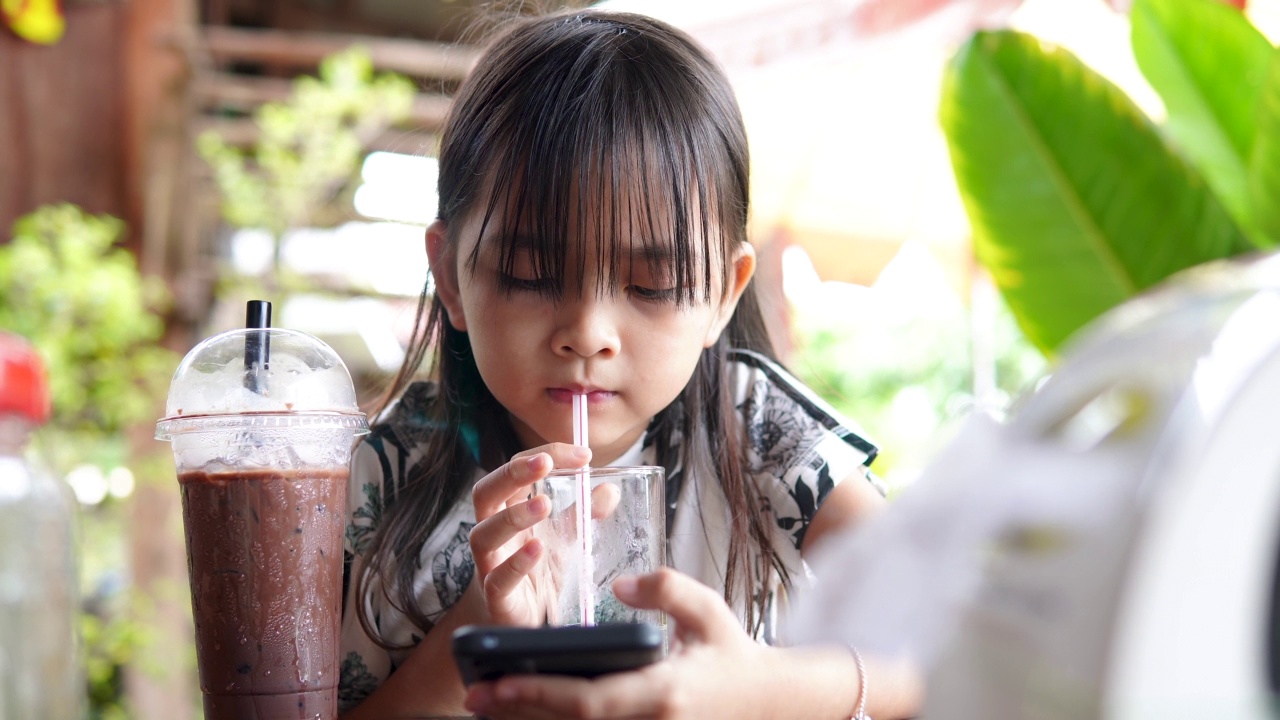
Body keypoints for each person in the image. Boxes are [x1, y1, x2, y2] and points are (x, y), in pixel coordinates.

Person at [338, 8, 921, 719]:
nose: (588, 333)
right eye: (528, 273)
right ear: (451, 277)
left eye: (653, 286)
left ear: (720, 297)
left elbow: (938, 643)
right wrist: (471, 634)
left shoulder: (758, 432)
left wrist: (764, 689)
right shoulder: (387, 475)